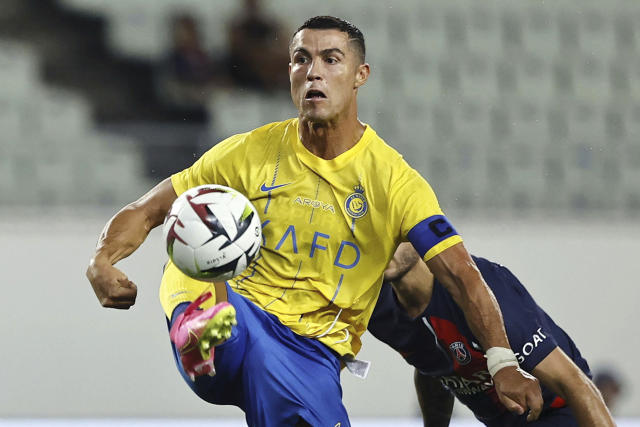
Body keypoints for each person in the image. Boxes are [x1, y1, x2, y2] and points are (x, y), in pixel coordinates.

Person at [86, 16, 542, 426]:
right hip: (241, 312)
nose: (314, 71)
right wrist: (102, 261)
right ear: (290, 73)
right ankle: (201, 327)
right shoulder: (250, 152)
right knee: (196, 236)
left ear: (360, 75)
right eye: (301, 59)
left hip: (309, 350)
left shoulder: (394, 182)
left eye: (331, 59)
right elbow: (150, 208)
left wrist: (503, 362)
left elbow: (461, 273)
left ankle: (208, 331)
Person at [369, 243, 615, 427]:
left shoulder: (482, 293)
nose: (384, 239)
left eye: (395, 227)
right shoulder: (378, 309)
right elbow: (433, 369)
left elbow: (577, 386)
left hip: (558, 415)